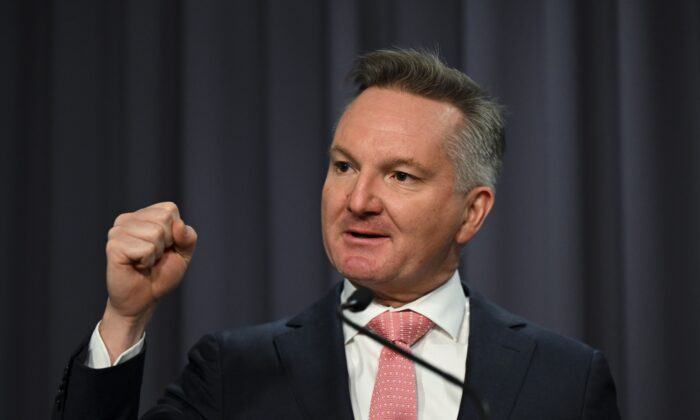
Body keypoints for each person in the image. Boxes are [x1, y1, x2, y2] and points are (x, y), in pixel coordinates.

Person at [53, 49, 620, 419]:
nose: (358, 201)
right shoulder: (235, 371)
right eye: (344, 166)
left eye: (400, 176)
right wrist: (125, 317)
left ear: (471, 213)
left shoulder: (565, 379)